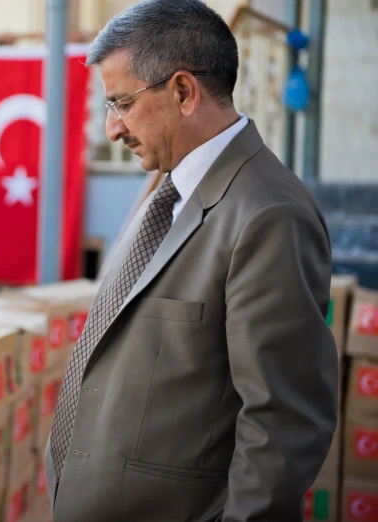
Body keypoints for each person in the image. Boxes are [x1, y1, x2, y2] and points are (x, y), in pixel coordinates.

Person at [44, 1, 338, 520]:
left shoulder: (268, 214)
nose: (112, 129)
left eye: (122, 103)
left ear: (182, 91)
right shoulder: (167, 188)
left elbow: (283, 424)